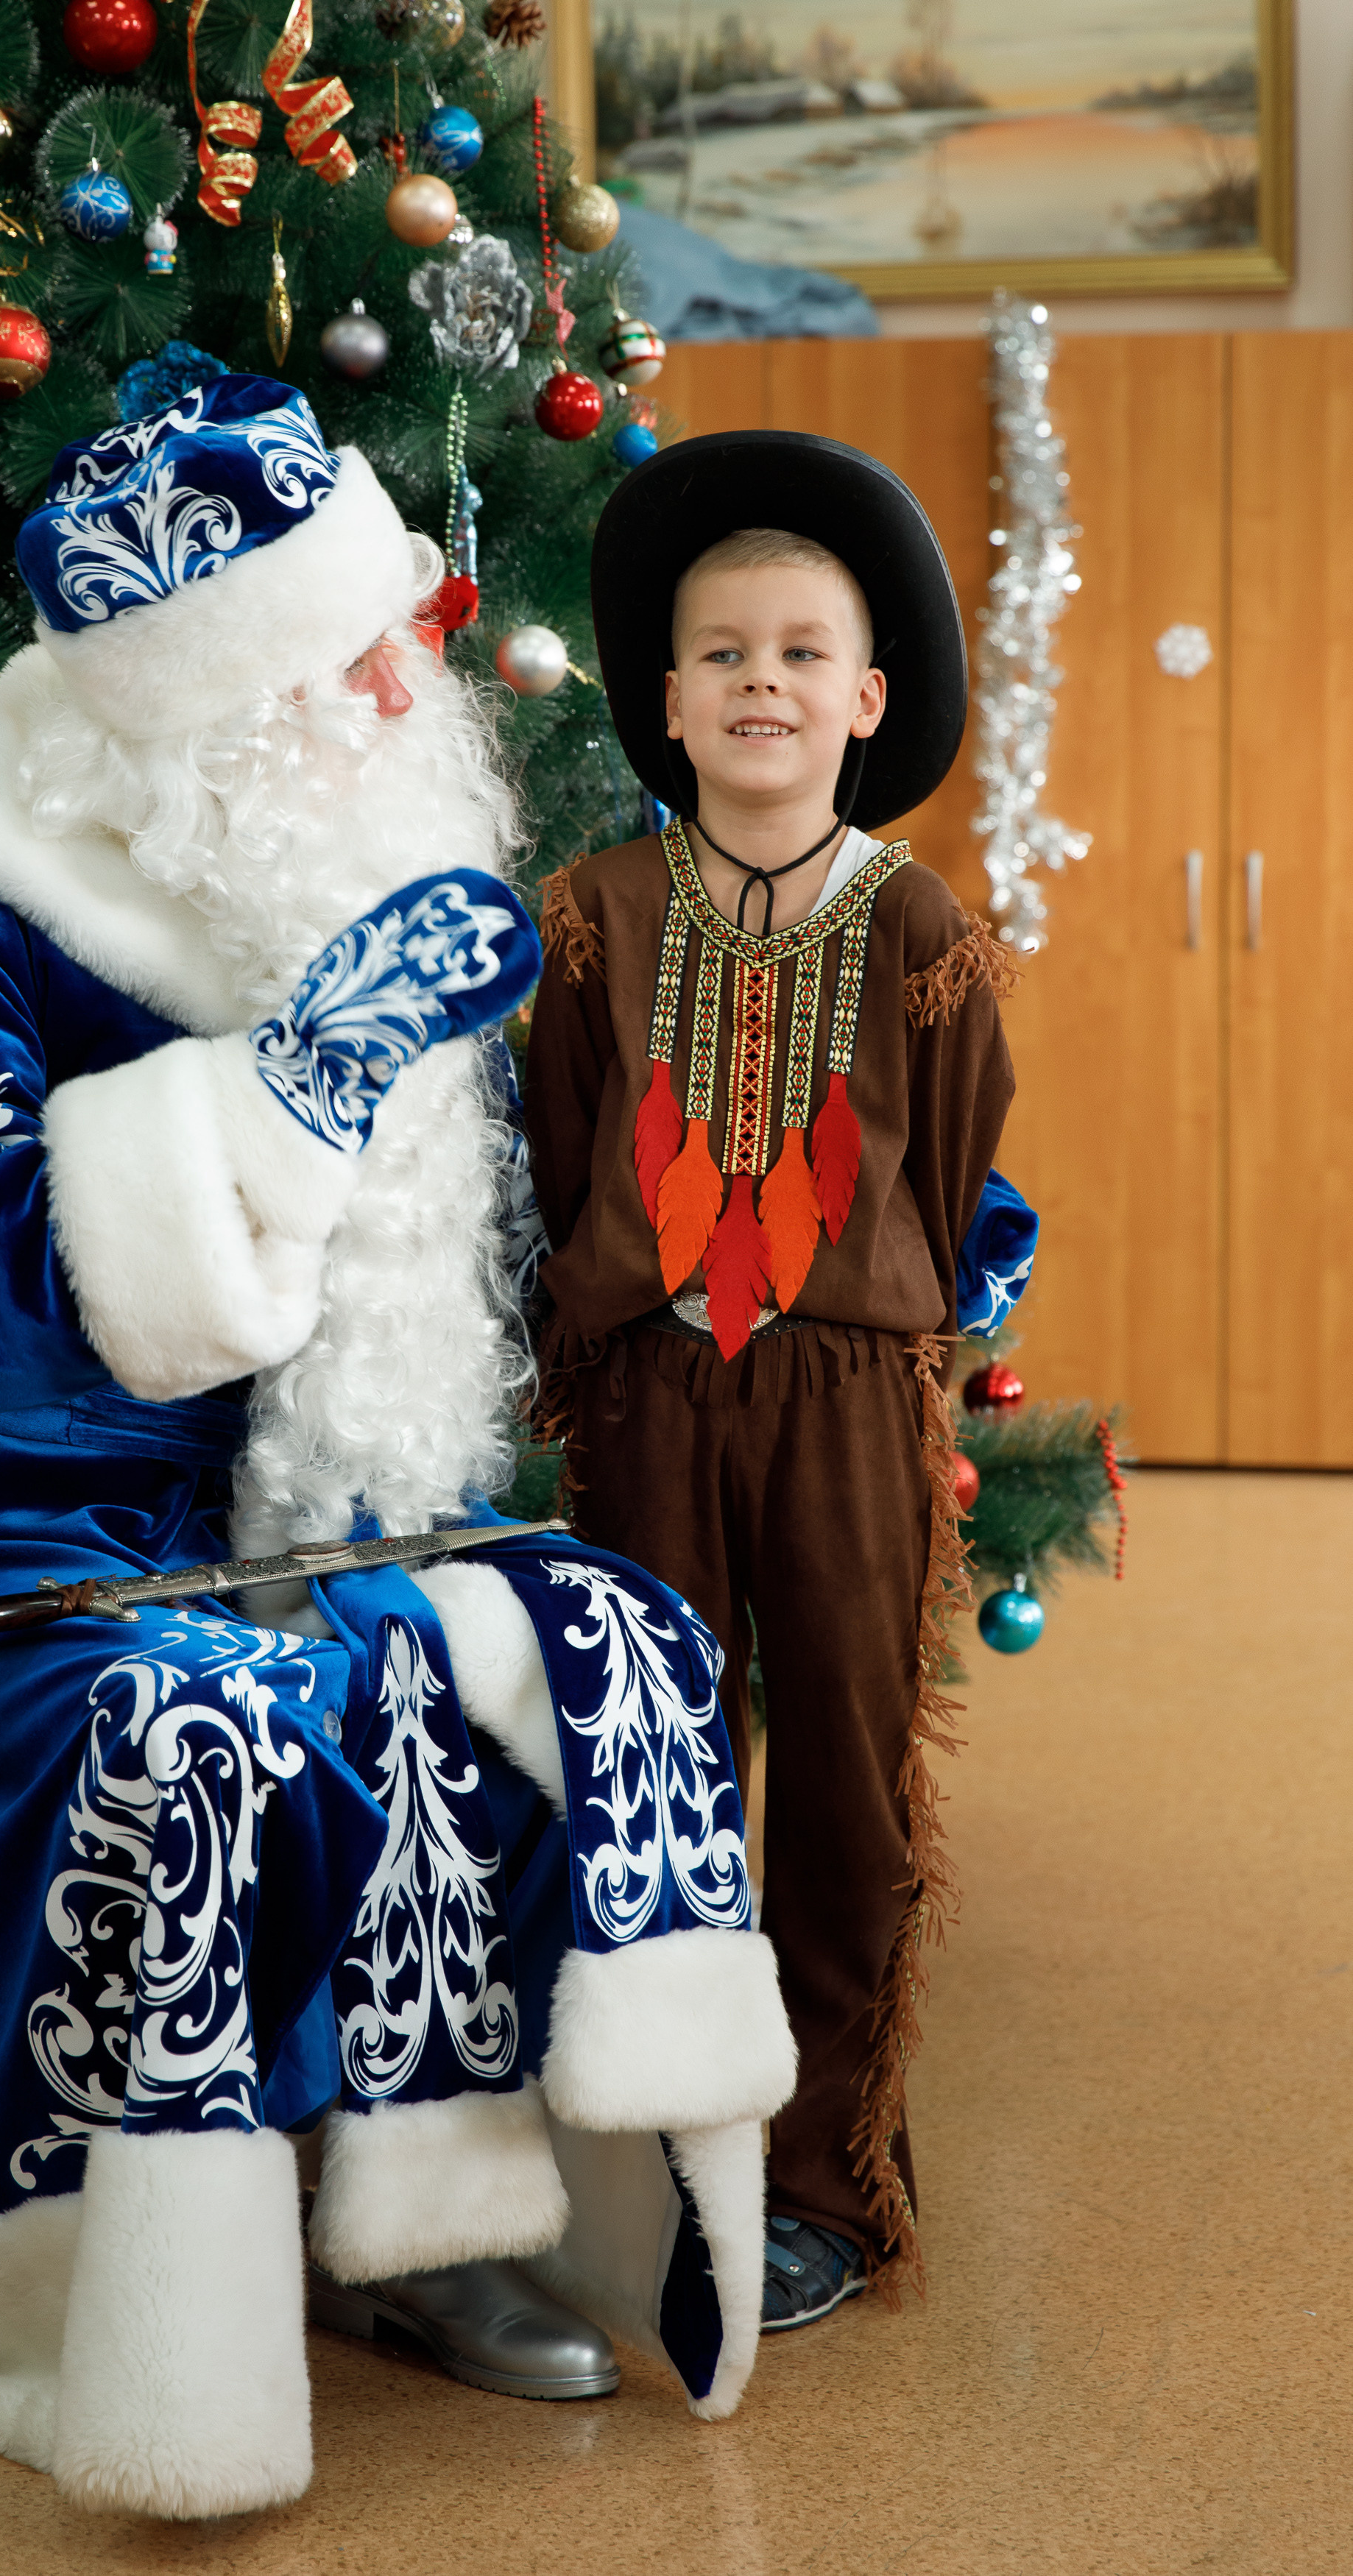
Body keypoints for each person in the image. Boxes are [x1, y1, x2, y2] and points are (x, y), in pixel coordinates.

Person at [0, 377, 795, 2520]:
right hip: (30, 1530)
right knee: (220, 1724)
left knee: (602, 1642)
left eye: (391, 635)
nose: (398, 678)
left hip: (329, 1509)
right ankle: (152, 2312)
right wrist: (278, 1096)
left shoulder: (368, 834)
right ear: (210, 697)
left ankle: (466, 2215)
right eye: (342, 655)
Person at [523, 432, 1031, 2332]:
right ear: (664, 699)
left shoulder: (920, 939)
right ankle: (659, 2147)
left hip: (844, 1402)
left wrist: (858, 1317)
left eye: (802, 652)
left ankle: (825, 2169)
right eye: (721, 651)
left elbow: (954, 1151)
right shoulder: (589, 921)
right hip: (650, 1393)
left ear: (869, 698)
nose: (760, 682)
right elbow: (570, 1144)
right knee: (652, 1766)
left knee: (836, 1769)